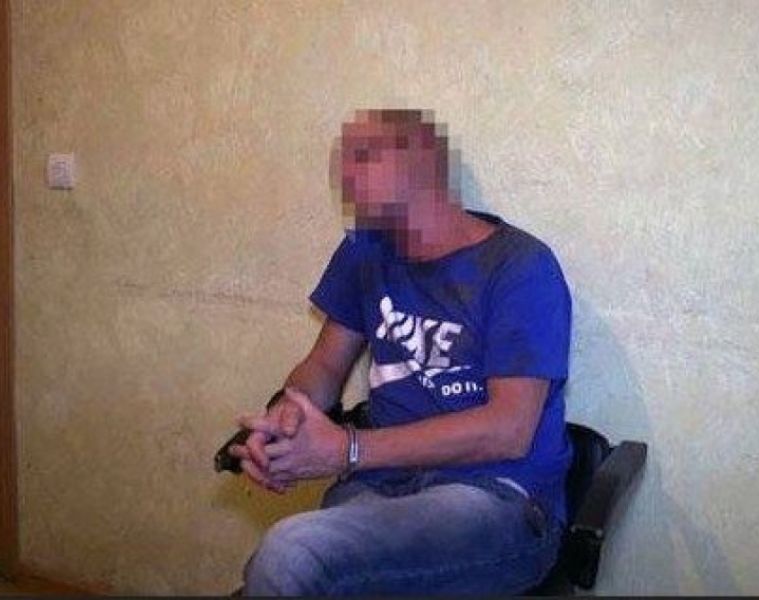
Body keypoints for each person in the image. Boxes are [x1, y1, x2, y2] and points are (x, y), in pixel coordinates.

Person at [228, 109, 573, 595]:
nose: (347, 172)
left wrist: (346, 449)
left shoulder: (519, 266)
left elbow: (508, 431)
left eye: (365, 155)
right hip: (379, 484)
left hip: (496, 497)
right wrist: (288, 417)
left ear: (426, 161)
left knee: (292, 555)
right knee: (286, 565)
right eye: (343, 160)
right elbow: (324, 365)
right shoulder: (364, 252)